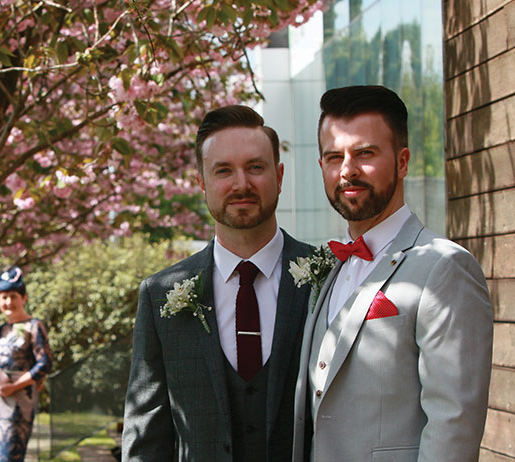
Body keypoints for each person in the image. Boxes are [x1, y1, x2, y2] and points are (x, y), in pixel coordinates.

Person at [291, 85, 493, 462]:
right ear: (322, 167)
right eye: (334, 157)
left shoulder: (445, 267)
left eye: (365, 153)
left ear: (402, 162)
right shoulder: (331, 267)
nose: (348, 170)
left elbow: (453, 425)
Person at [122, 105, 313, 462]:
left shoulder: (326, 277)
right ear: (202, 182)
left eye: (256, 167)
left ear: (280, 175)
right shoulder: (159, 294)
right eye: (223, 170)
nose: (241, 184)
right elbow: (146, 433)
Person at [0, 266, 53, 462]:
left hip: (18, 400)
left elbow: (45, 364)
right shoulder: (0, 329)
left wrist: (15, 385)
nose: (8, 302)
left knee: (9, 453)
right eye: (3, 297)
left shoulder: (34, 326)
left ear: (24, 298)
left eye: (13, 296)